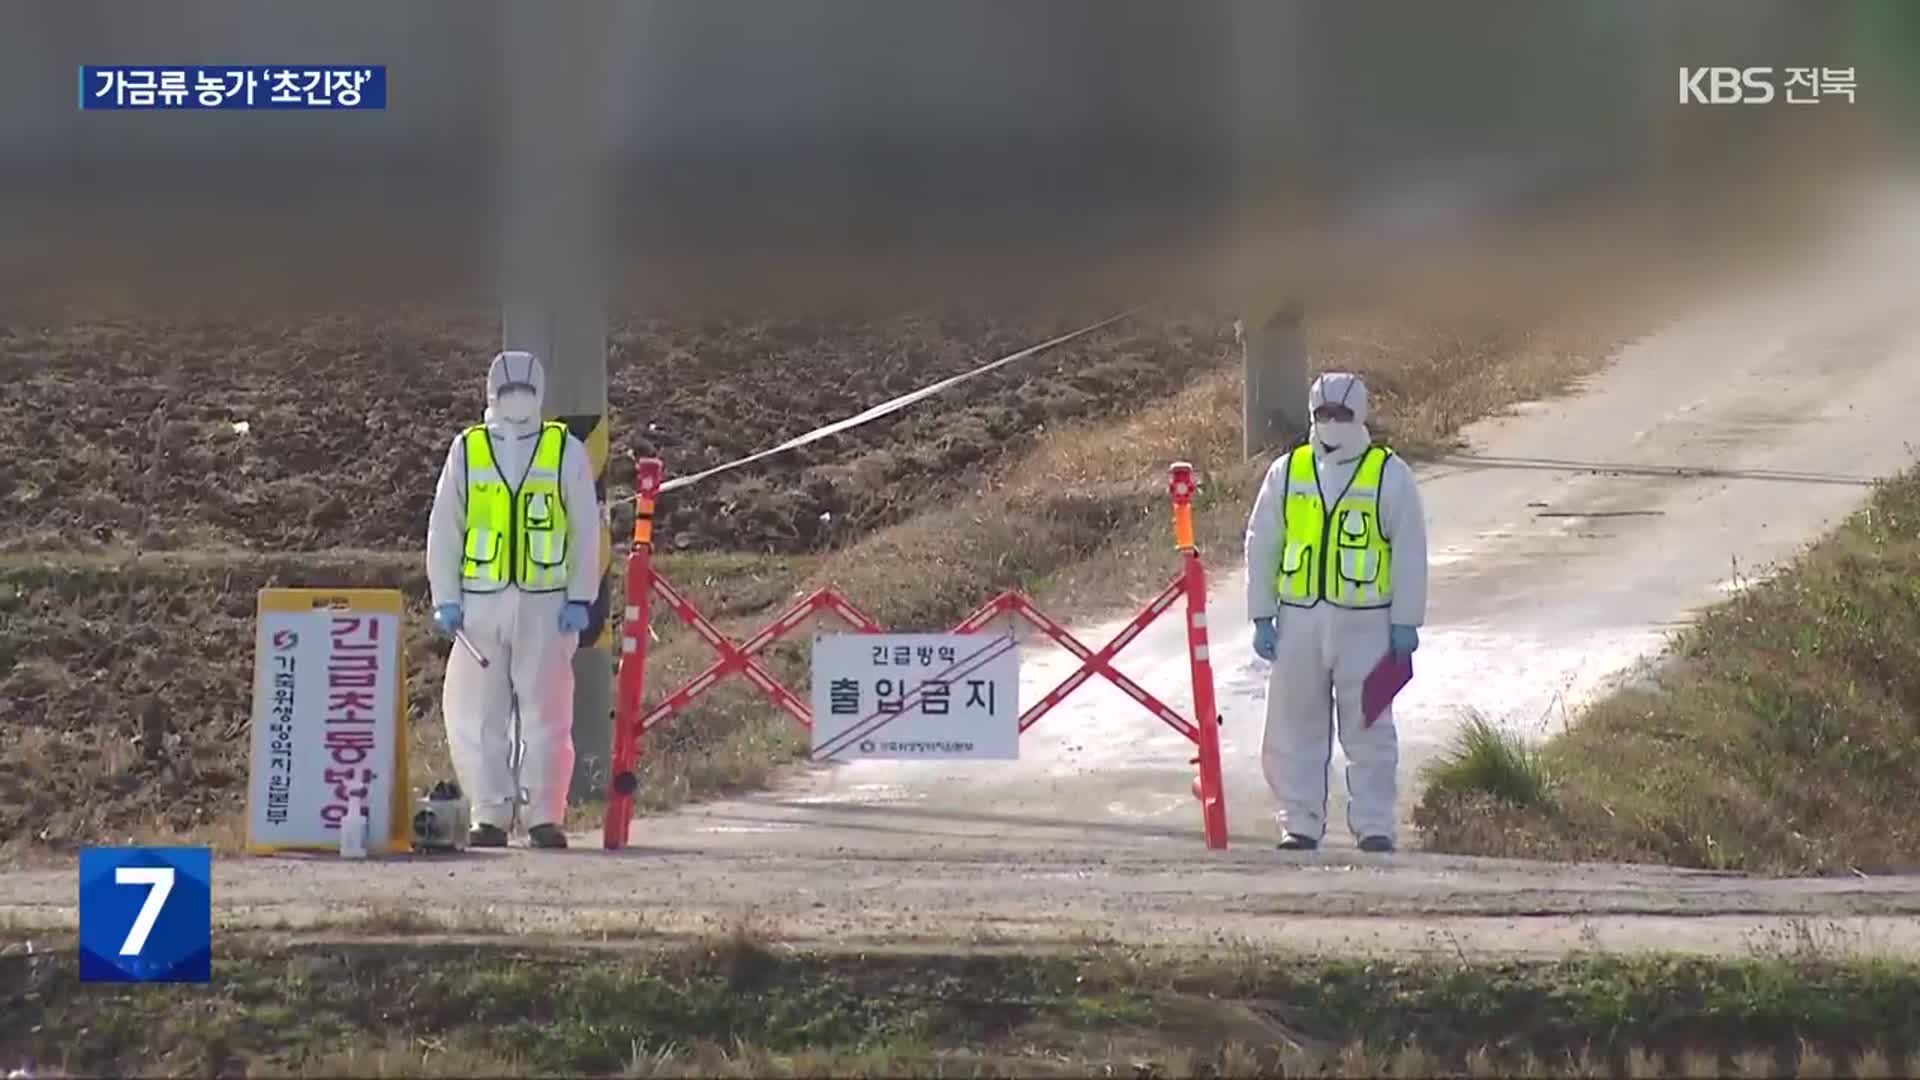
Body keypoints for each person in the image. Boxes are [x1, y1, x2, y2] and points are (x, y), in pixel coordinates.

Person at [1243, 371, 1428, 853]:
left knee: (1371, 728)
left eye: (1341, 415)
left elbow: (1410, 550)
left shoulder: (1390, 474)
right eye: (1323, 415)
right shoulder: (1287, 472)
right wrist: (1262, 614)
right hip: (1299, 621)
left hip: (1369, 623)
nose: (1332, 423)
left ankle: (1374, 825)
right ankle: (1299, 823)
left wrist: (1406, 622)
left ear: (1360, 416)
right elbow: (1263, 543)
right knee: (1293, 729)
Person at [426, 350, 601, 849]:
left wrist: (581, 595)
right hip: (480, 604)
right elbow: (446, 526)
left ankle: (545, 815)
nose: (516, 400)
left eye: (524, 390)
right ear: (491, 395)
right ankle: (490, 815)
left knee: (548, 712)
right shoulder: (469, 448)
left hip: (547, 604)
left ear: (540, 394)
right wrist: (446, 597)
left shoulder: (564, 448)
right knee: (478, 714)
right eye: (508, 391)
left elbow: (585, 527)